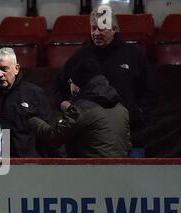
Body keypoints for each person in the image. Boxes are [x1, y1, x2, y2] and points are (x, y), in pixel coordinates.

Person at [54, 5, 157, 157]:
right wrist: (65, 105)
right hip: (87, 143)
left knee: (130, 181)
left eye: (101, 28)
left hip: (130, 140)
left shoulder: (134, 55)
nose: (96, 33)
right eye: (93, 28)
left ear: (114, 28)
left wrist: (137, 114)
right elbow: (58, 87)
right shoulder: (81, 56)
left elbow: (150, 92)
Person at [23, 58, 131, 157]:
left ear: (77, 85)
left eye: (70, 82)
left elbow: (54, 137)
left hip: (90, 172)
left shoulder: (81, 109)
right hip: (119, 171)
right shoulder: (121, 108)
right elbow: (127, 145)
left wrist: (32, 118)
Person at [0, 47, 56, 158]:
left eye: (4, 69)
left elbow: (49, 132)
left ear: (16, 69)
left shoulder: (35, 94)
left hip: (30, 163)